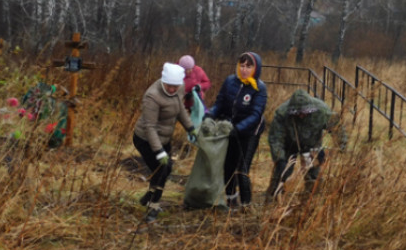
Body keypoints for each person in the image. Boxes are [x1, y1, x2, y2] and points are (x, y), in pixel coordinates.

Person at [133, 62, 197, 222]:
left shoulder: (179, 87)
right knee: (161, 170)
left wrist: (190, 127)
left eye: (175, 86)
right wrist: (159, 151)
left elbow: (180, 108)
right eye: (169, 86)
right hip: (146, 140)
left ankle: (148, 196)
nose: (172, 90)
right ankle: (153, 207)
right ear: (163, 81)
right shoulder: (152, 96)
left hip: (165, 138)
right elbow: (150, 127)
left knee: (165, 170)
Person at [204, 52, 267, 210]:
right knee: (229, 165)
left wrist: (238, 128)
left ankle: (247, 205)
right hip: (230, 128)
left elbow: (255, 114)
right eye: (242, 66)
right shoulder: (230, 81)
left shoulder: (259, 88)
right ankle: (232, 199)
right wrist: (211, 114)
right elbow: (220, 103)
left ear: (255, 69)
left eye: (248, 66)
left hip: (250, 132)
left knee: (242, 169)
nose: (244, 69)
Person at [266, 89, 346, 200]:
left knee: (313, 174)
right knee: (282, 171)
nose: (301, 115)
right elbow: (275, 138)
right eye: (298, 113)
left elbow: (336, 127)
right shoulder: (282, 113)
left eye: (304, 112)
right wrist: (279, 158)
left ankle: (310, 200)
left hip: (311, 144)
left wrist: (341, 144)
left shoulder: (322, 111)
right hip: (288, 145)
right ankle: (273, 197)